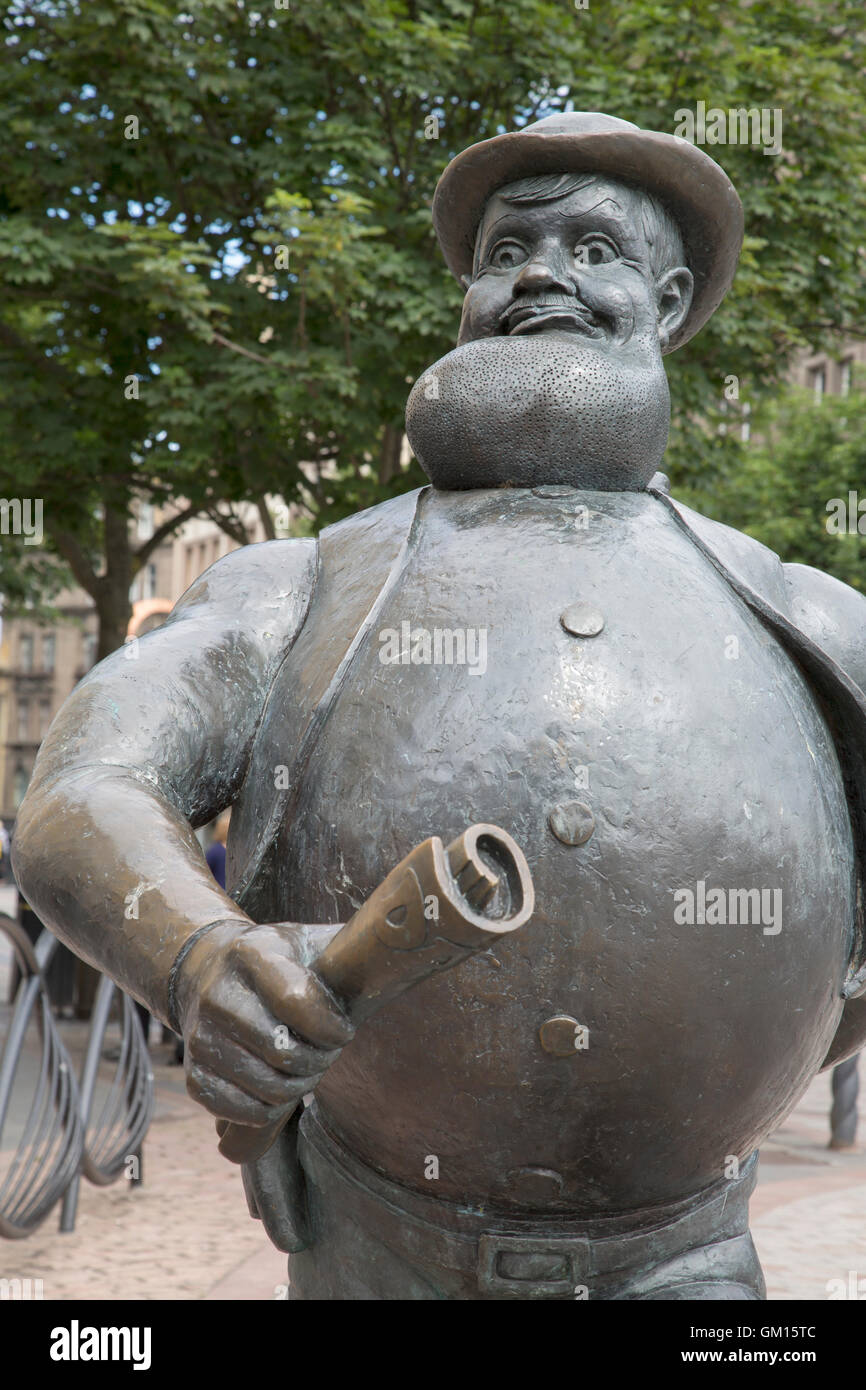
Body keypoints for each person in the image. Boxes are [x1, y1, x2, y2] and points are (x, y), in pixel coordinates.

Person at [12, 113, 866, 1300]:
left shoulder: (803, 616)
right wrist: (200, 960)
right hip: (373, 1251)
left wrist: (777, 1029)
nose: (538, 275)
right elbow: (82, 788)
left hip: (687, 1263)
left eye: (593, 249)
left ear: (667, 302)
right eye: (507, 248)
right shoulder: (301, 581)